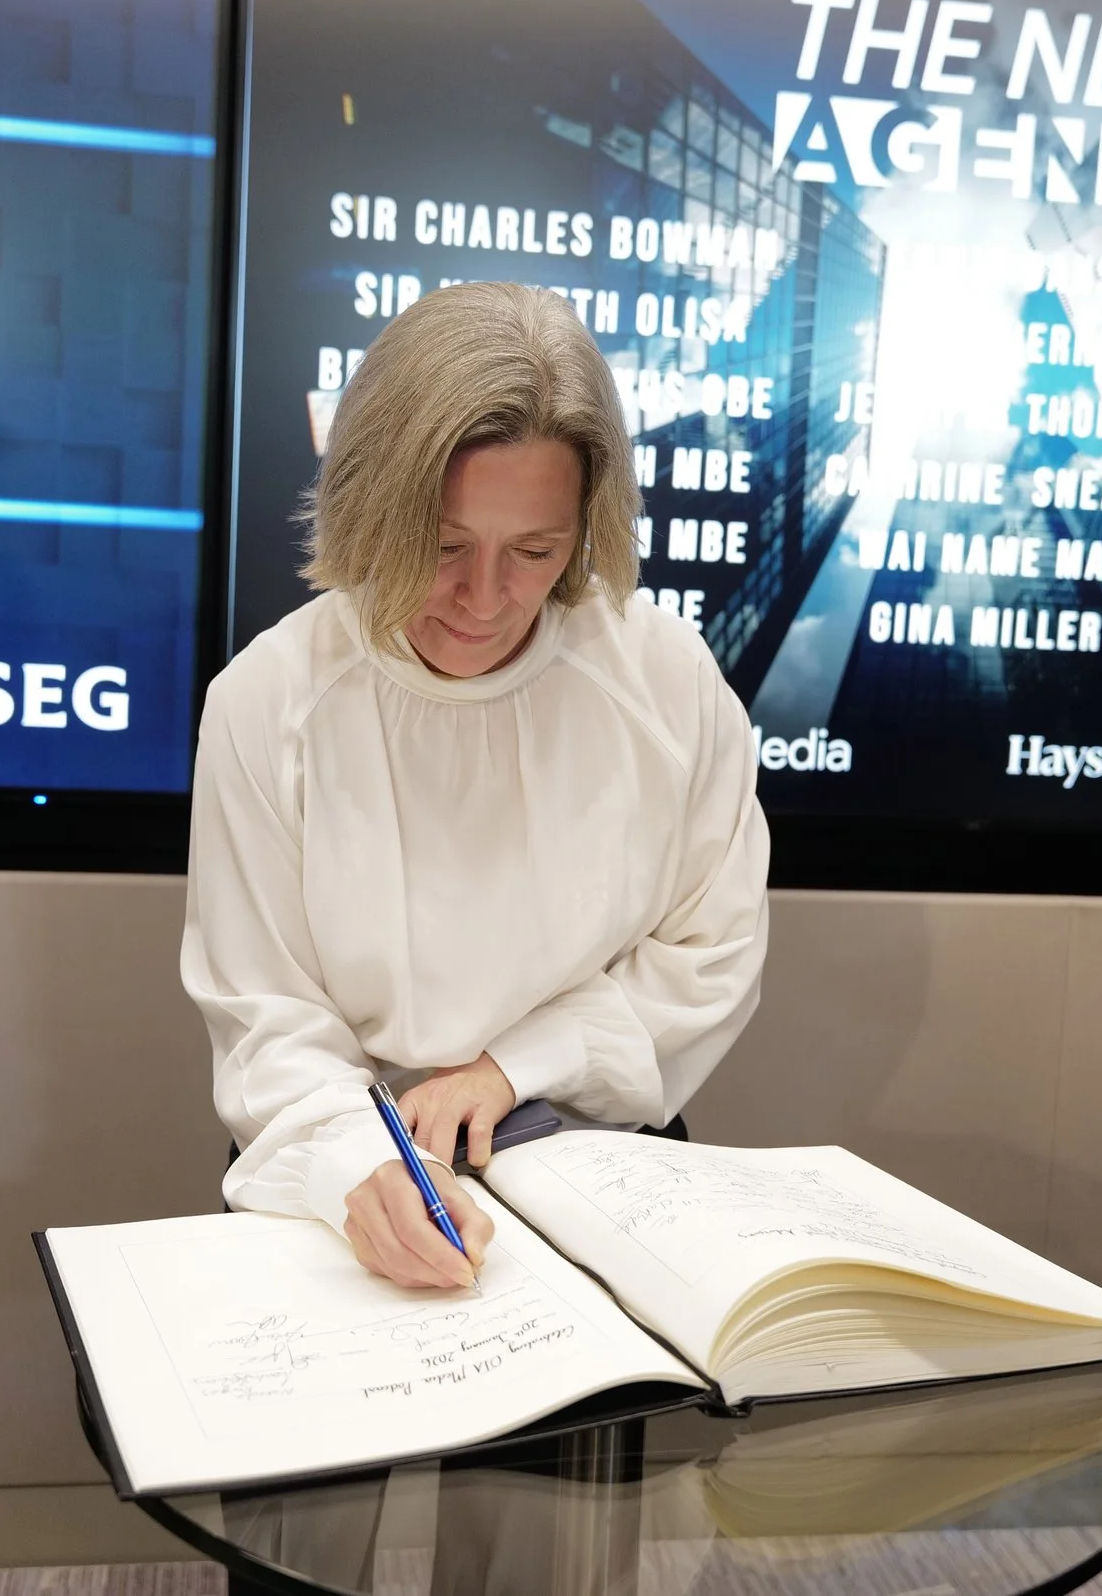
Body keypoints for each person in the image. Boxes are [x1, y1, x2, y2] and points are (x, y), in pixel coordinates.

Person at [184, 281, 769, 1289]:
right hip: (346, 1165)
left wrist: (514, 1066)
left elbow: (710, 956)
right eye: (445, 545)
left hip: (601, 1162)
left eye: (535, 550)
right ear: (370, 503)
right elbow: (265, 1012)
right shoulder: (269, 700)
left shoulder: (665, 681)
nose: (485, 599)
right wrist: (358, 1163)